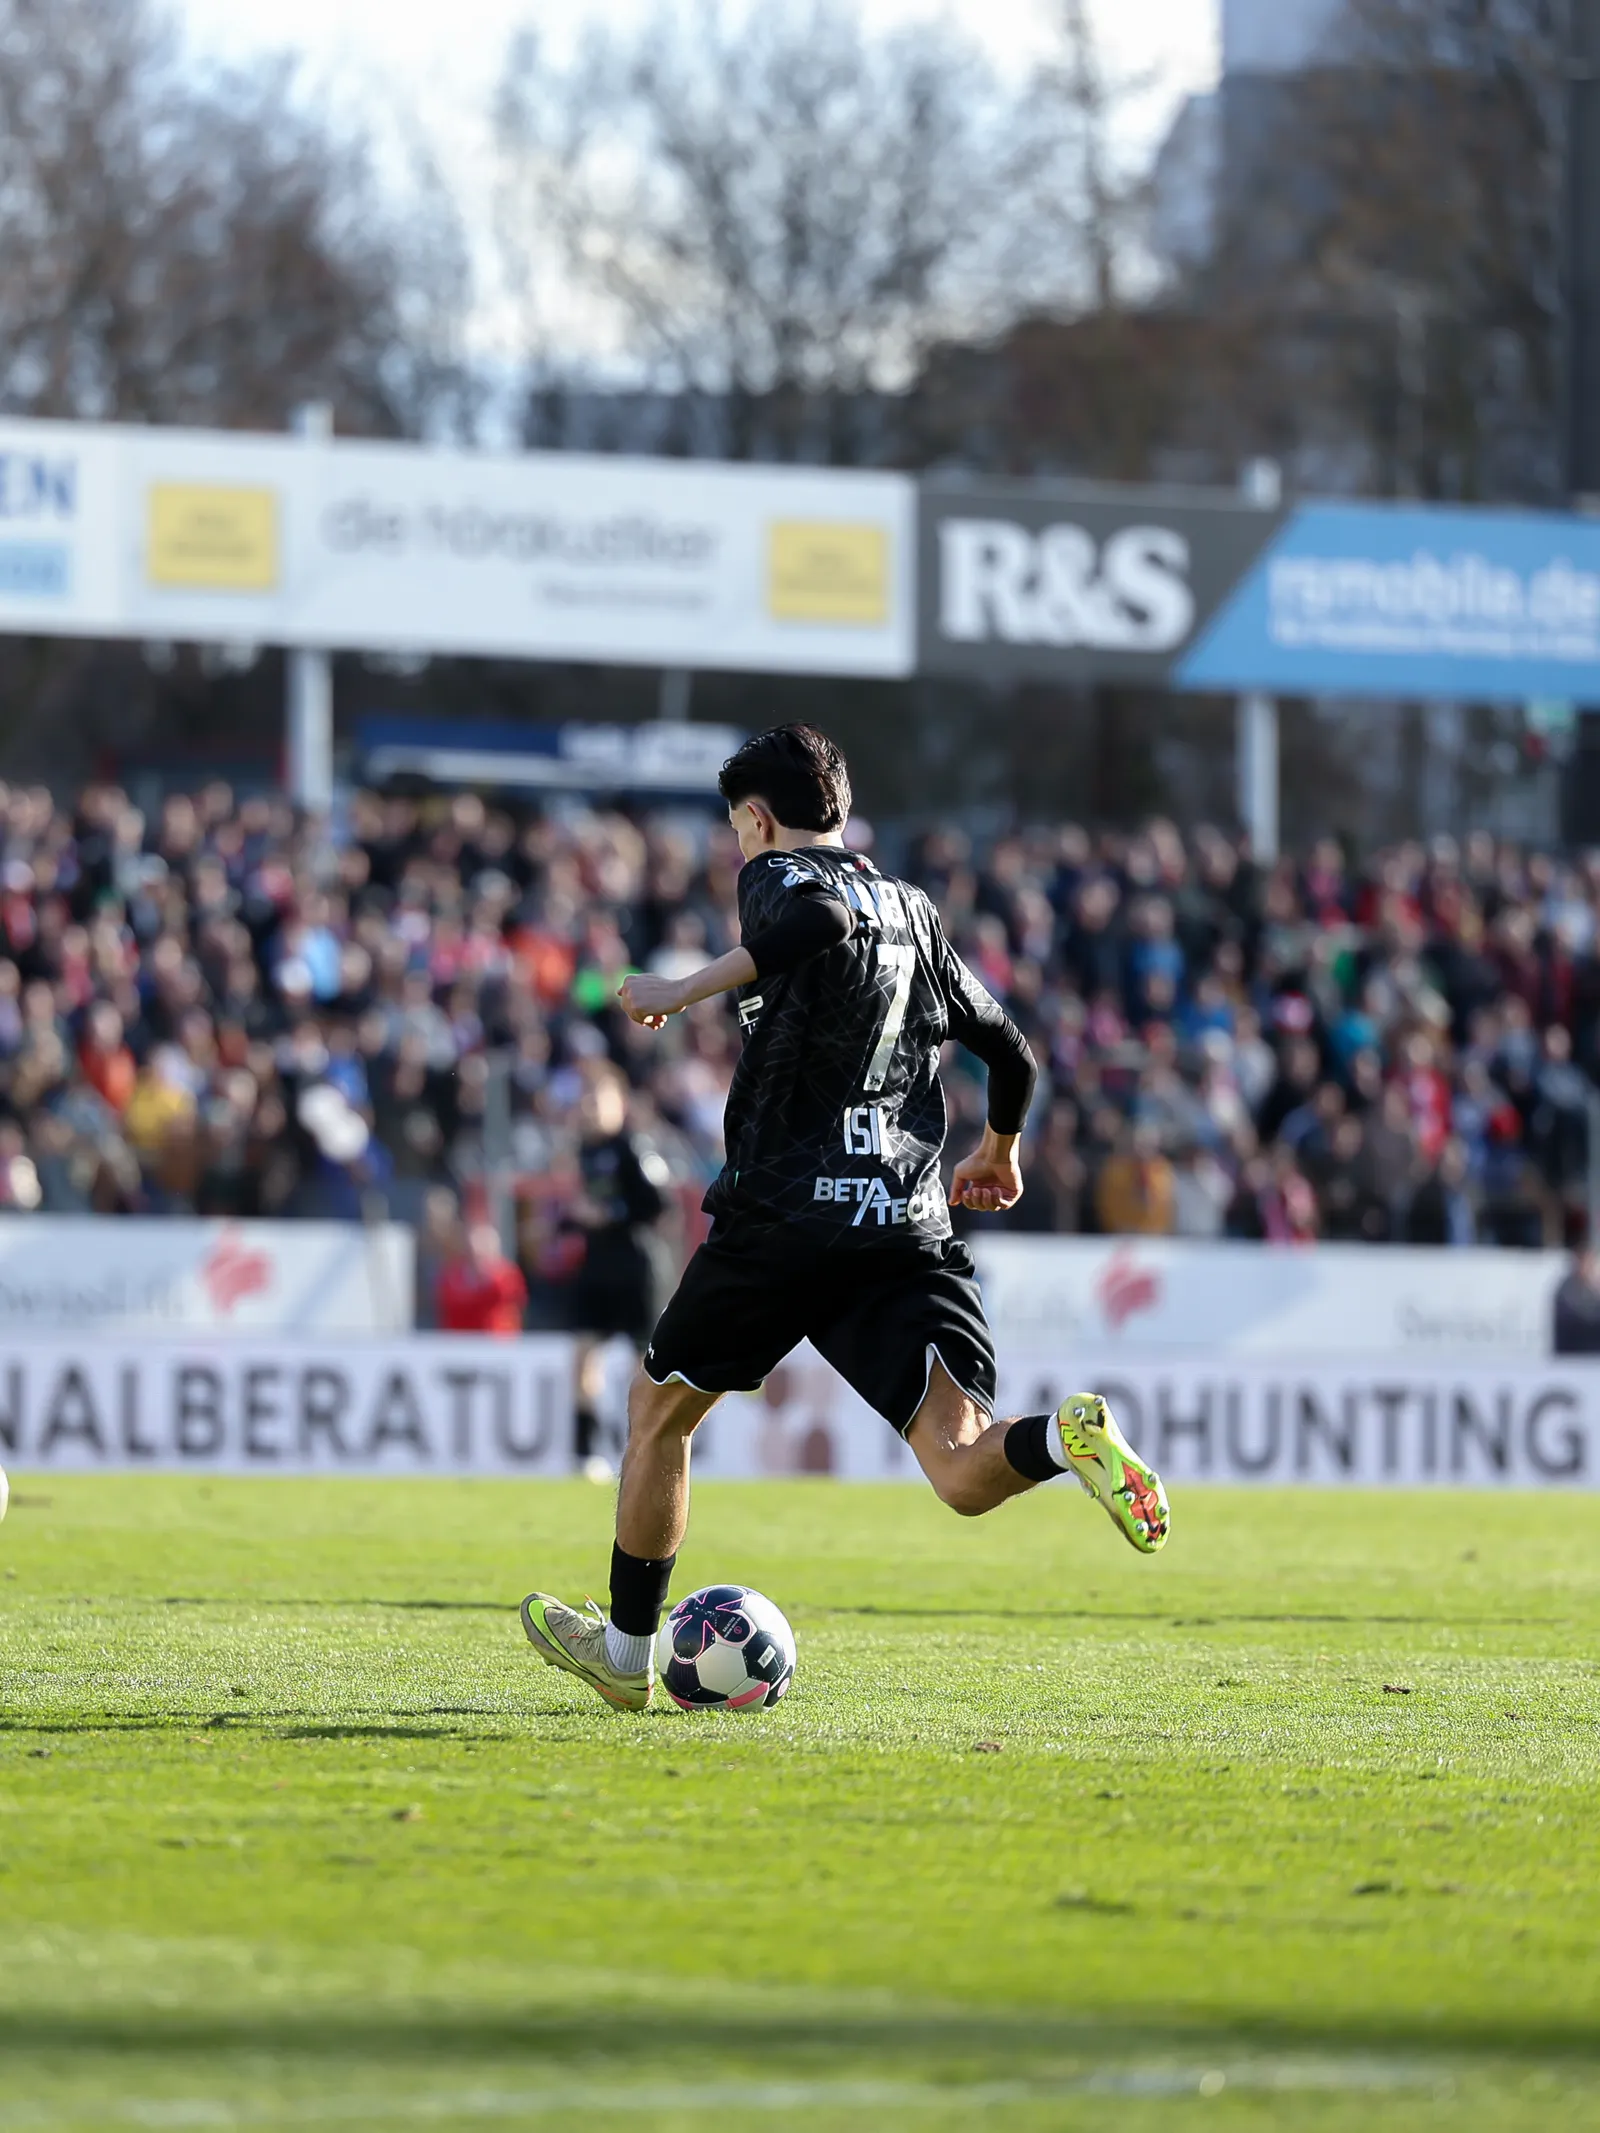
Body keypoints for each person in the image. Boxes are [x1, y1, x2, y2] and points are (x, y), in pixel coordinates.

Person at [520, 724, 1170, 1713]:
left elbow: (819, 921)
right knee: (960, 1466)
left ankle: (624, 1652)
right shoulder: (914, 908)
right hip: (901, 1224)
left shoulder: (777, 877)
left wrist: (681, 989)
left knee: (659, 1414)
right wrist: (1000, 1148)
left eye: (736, 828)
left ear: (755, 818)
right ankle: (1060, 1440)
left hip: (782, 1216)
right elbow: (1011, 1050)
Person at [436, 1219, 528, 1335]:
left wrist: (486, 1280)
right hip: (460, 1340)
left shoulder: (508, 1274)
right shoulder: (452, 1276)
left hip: (498, 1341)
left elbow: (507, 1296)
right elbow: (449, 1302)